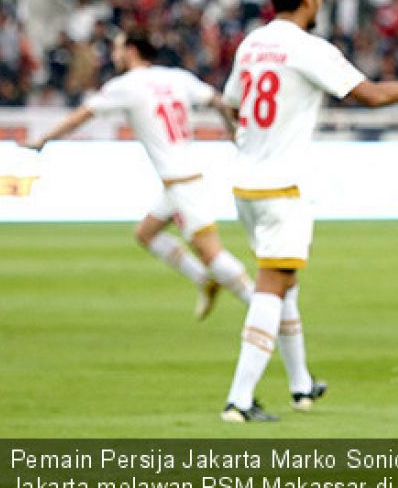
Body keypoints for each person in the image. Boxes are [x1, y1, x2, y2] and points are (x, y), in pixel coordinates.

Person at [218, 0, 398, 422]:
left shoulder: (252, 45)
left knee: (284, 283)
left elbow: (231, 106)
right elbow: (371, 96)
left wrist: (250, 144)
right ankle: (239, 398)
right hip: (281, 186)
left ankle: (301, 386)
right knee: (272, 284)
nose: (321, 0)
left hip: (245, 182)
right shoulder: (308, 48)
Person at [25, 29, 254, 319]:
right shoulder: (176, 77)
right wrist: (233, 132)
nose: (114, 55)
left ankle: (261, 305)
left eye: (118, 49)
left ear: (132, 51)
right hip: (182, 178)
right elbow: (219, 101)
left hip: (182, 183)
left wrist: (43, 140)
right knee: (145, 233)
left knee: (212, 253)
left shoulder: (126, 86)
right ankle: (204, 282)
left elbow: (82, 115)